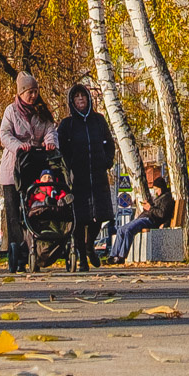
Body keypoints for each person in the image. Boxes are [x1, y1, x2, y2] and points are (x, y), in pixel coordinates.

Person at [0, 71, 59, 273]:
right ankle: (19, 252)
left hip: (35, 166)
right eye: (29, 92)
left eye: (35, 91)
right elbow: (5, 134)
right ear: (21, 93)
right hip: (13, 169)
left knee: (34, 207)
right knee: (14, 213)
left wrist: (50, 143)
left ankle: (36, 247)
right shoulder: (11, 111)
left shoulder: (41, 112)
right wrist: (19, 145)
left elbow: (50, 129)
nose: (33, 96)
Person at [55, 83, 116, 271]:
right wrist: (68, 168)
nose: (80, 99)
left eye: (83, 96)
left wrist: (107, 161)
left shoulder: (98, 120)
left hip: (97, 176)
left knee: (99, 216)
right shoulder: (67, 124)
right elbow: (61, 149)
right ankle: (82, 257)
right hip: (78, 178)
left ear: (88, 99)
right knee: (79, 220)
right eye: (77, 97)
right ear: (72, 101)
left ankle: (90, 246)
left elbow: (109, 143)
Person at [110, 175, 174, 262]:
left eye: (156, 189)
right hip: (144, 218)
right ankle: (113, 255)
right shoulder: (158, 198)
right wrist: (147, 205)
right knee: (121, 230)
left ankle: (121, 256)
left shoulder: (166, 198)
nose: (156, 192)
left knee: (129, 230)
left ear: (161, 188)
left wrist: (150, 208)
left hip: (150, 220)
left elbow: (161, 214)